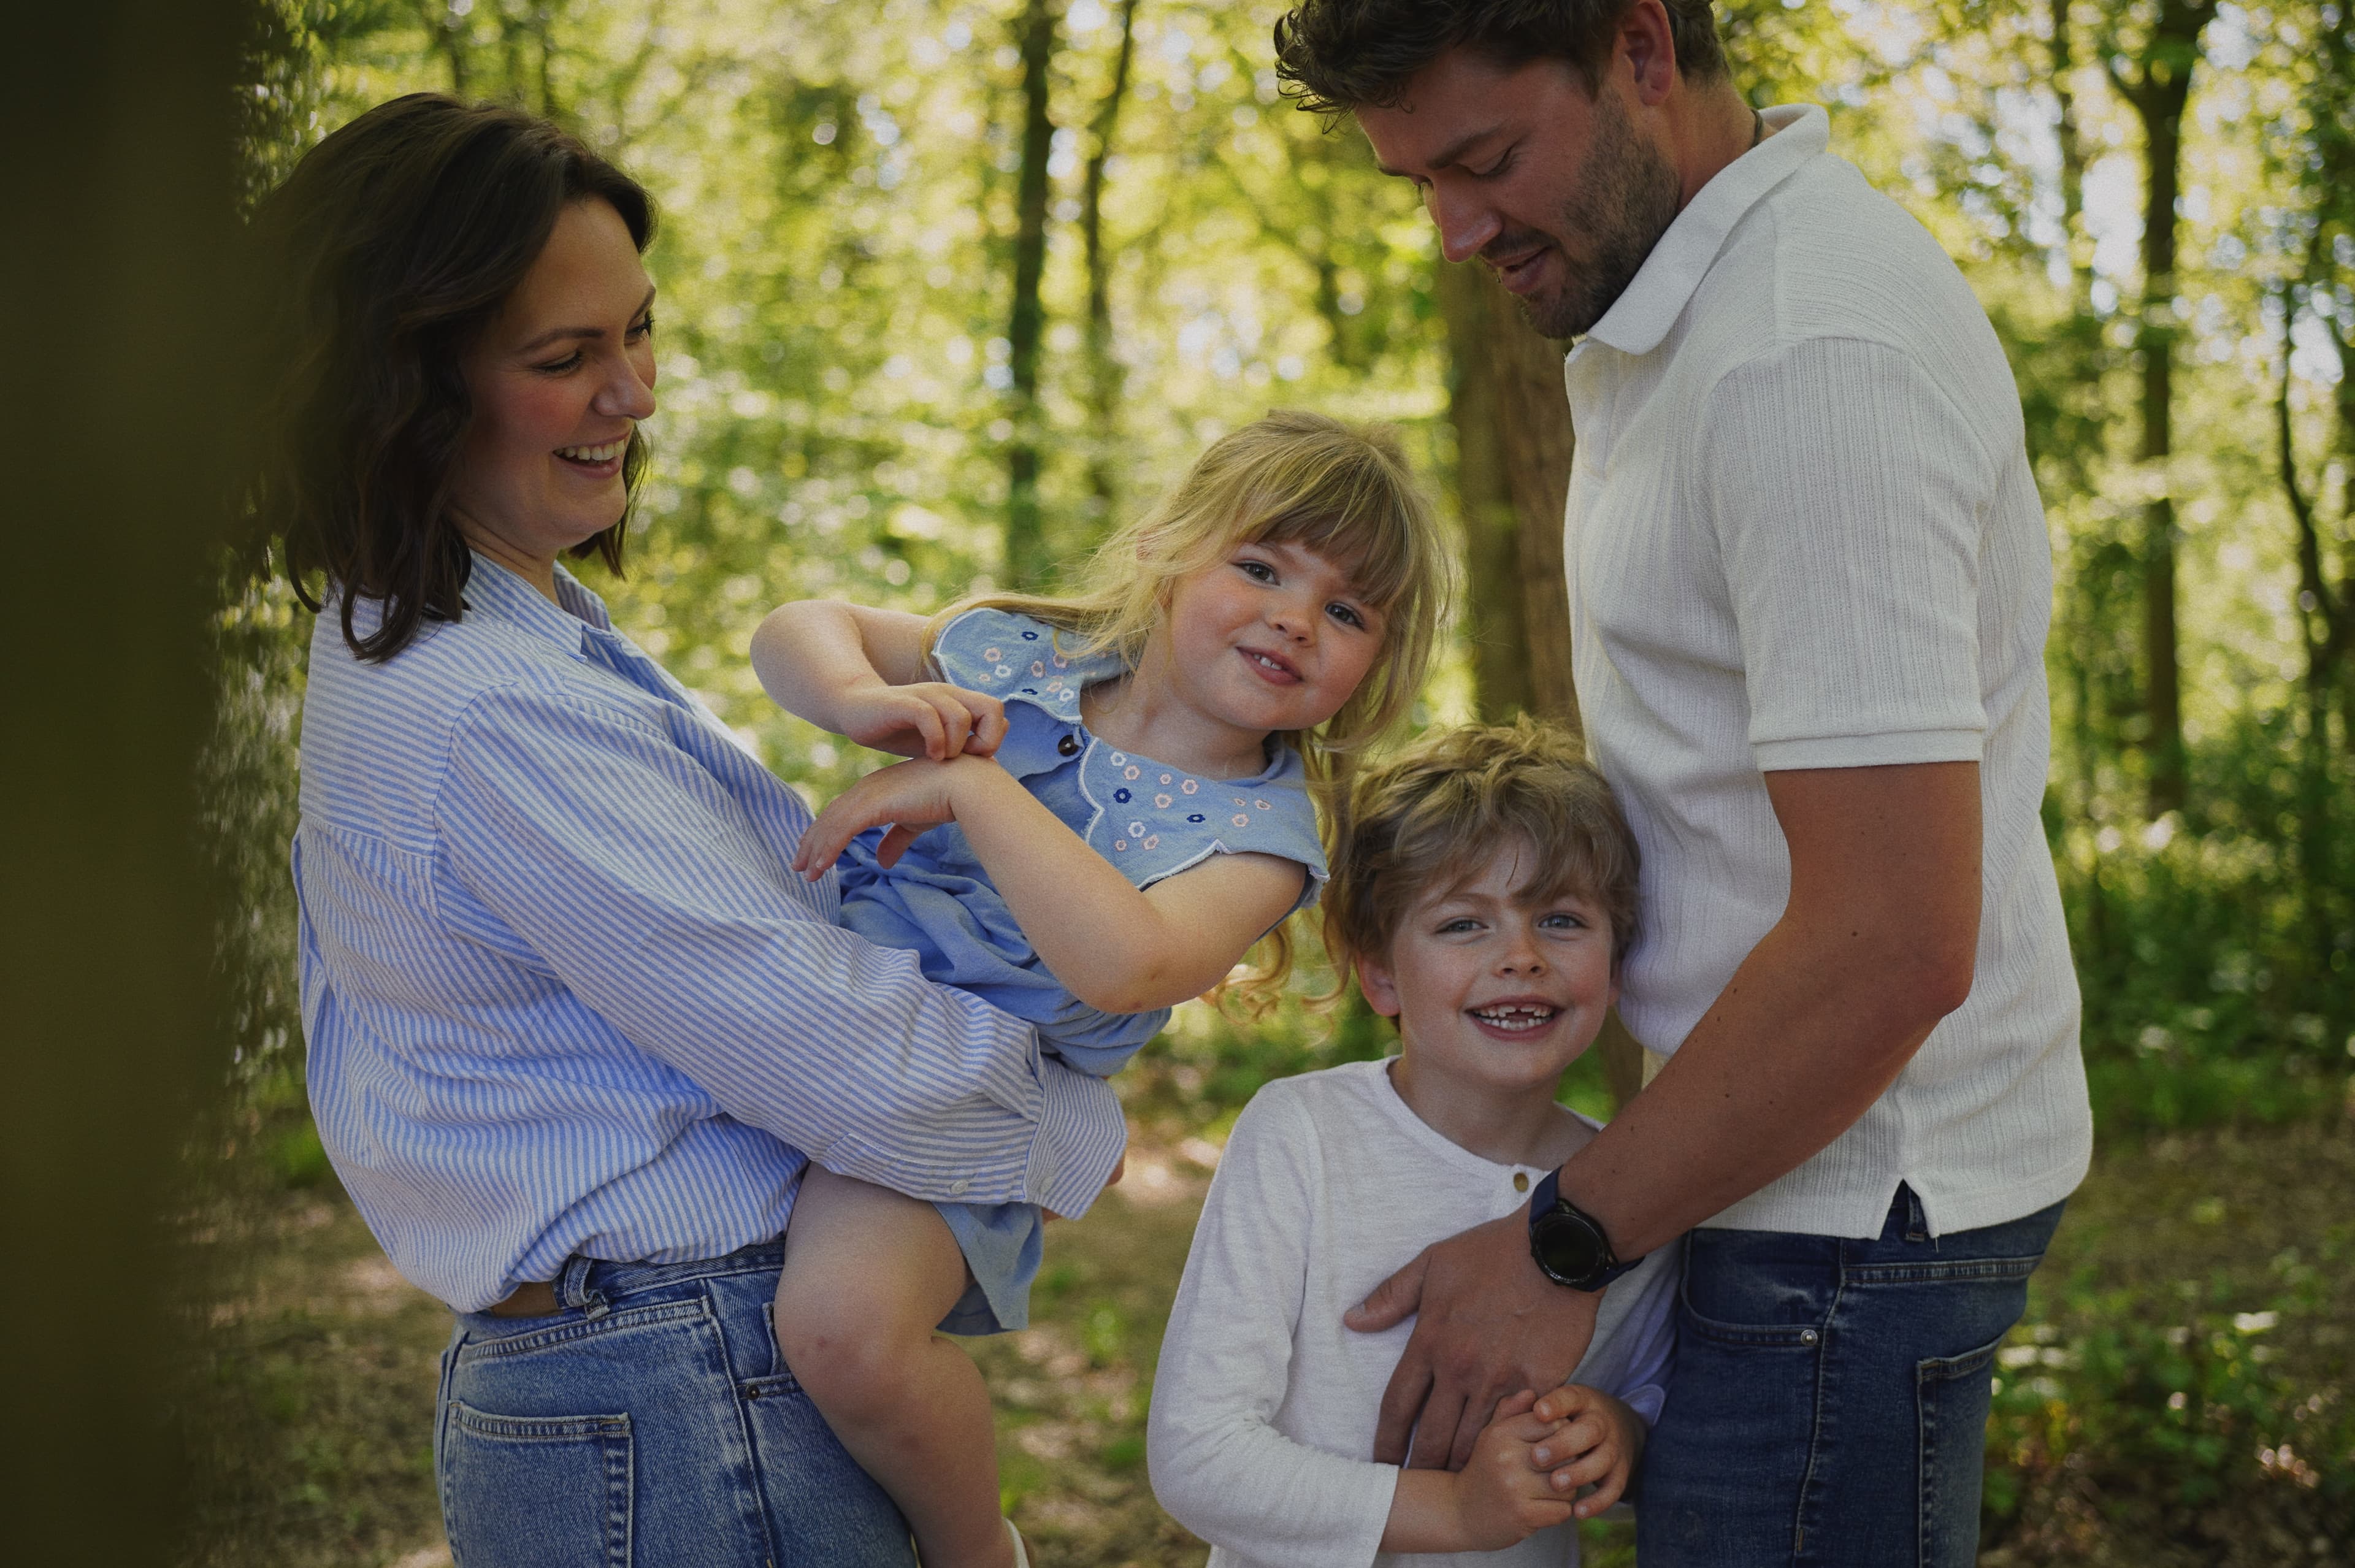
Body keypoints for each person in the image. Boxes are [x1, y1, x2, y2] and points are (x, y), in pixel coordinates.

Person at [250, 94, 1128, 1567]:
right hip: (677, 1388)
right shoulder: (478, 706)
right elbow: (831, 1044)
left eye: (637, 330)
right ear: (407, 390)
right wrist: (1088, 1054)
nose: (636, 393)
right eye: (565, 358)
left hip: (626, 1385)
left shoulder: (477, 636)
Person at [1270, 4, 2093, 1564]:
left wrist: (1559, 1243)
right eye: (1417, 185)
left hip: (1848, 1217)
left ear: (1642, 49)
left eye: (1487, 160)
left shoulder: (1808, 356)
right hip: (1770, 1175)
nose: (1452, 232)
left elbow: (1893, 939)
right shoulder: (1693, 317)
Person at [748, 410, 1454, 1568]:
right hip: (808, 984)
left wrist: (975, 793)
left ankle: (976, 1547)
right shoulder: (1023, 655)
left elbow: (1129, 961)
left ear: (1373, 665)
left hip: (962, 1094)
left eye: (1346, 609)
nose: (1293, 616)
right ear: (1166, 552)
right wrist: (854, 699)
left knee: (845, 1331)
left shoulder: (1263, 840)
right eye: (1263, 566)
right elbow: (799, 626)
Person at [1147, 721, 1678, 1567]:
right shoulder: (1304, 1134)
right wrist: (1457, 1511)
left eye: (1564, 919)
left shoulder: (1629, 1189)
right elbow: (1197, 1455)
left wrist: (1618, 1432)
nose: (1523, 957)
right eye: (1465, 924)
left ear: (1618, 965)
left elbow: (1658, 1415)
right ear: (1380, 971)